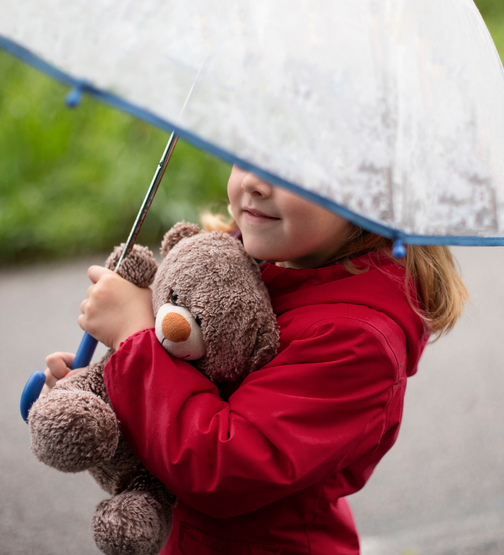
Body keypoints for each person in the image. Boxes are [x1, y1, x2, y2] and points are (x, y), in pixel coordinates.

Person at [43, 165, 468, 554]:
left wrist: (134, 337)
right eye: (246, 154)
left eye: (290, 169)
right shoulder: (235, 263)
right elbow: (187, 381)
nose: (253, 181)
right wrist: (104, 388)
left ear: (373, 194)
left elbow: (221, 467)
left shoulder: (357, 343)